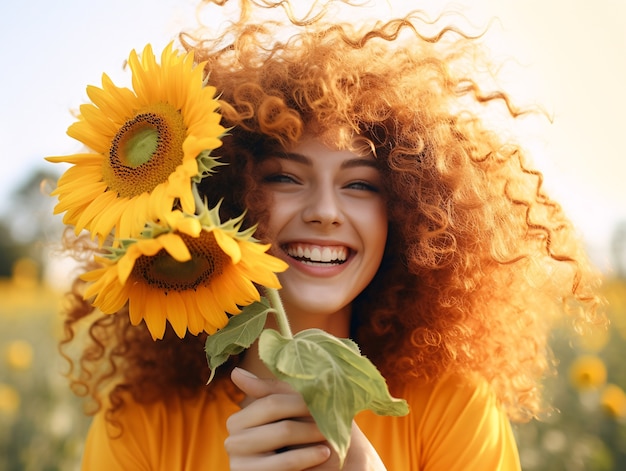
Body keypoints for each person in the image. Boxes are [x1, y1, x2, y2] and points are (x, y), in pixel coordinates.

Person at [53, 0, 603, 469]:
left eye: (360, 186)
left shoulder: (450, 406)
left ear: (408, 216)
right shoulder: (140, 426)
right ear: (225, 197)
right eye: (286, 178)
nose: (324, 212)